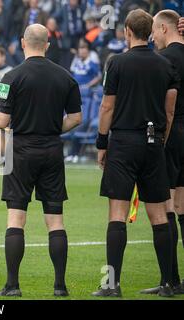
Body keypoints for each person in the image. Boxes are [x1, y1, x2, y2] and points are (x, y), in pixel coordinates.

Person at [0, 24, 82, 297]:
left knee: (16, 218)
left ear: (23, 43)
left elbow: (2, 120)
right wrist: (54, 128)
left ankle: (12, 285)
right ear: (48, 44)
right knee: (55, 220)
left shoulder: (11, 76)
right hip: (52, 150)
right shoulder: (66, 77)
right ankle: (60, 286)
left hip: (20, 150)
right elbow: (77, 118)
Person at [93, 9, 179, 298]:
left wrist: (102, 142)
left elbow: (107, 106)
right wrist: (161, 142)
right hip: (154, 142)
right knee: (159, 215)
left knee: (117, 214)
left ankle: (112, 285)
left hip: (124, 142)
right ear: (150, 32)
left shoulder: (117, 62)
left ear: (128, 30)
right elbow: (169, 109)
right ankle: (168, 283)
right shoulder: (165, 65)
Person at [140, 9, 184, 295]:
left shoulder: (163, 61)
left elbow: (163, 109)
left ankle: (170, 280)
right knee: (182, 209)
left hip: (170, 136)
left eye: (154, 31)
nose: (152, 37)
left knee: (165, 209)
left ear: (164, 29)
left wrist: (154, 142)